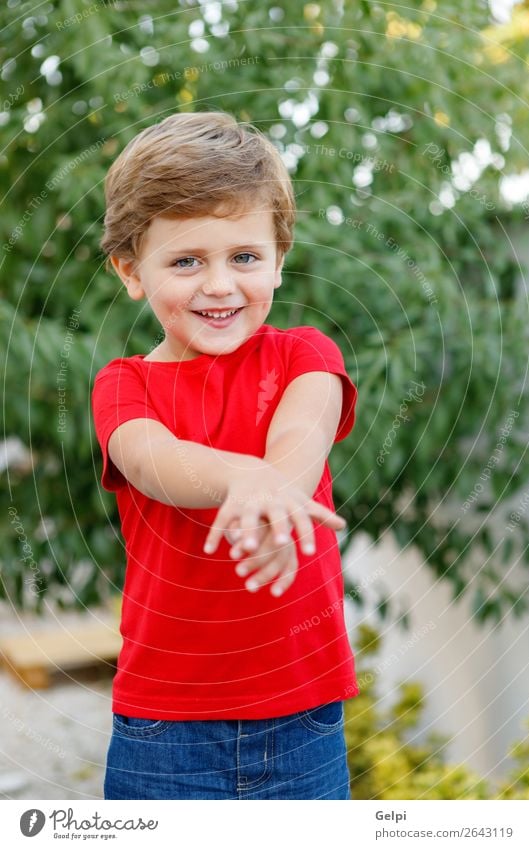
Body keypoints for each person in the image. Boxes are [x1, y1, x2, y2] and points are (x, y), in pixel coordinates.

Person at [91, 110, 359, 800]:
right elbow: (157, 462)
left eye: (244, 257)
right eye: (186, 261)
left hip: (303, 721)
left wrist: (275, 497)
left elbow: (302, 438)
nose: (219, 285)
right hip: (163, 730)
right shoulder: (124, 385)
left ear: (277, 256)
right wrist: (249, 482)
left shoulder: (306, 355)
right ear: (131, 271)